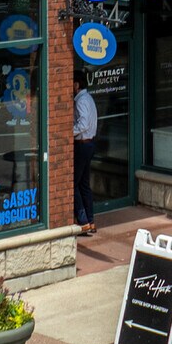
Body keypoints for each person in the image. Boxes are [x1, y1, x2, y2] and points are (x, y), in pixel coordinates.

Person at [72, 76, 99, 236]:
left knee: (73, 183)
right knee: (84, 184)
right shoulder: (89, 98)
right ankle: (91, 221)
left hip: (82, 145)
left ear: (77, 84)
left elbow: (83, 124)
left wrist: (69, 131)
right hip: (90, 144)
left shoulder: (81, 101)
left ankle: (83, 222)